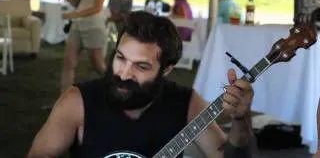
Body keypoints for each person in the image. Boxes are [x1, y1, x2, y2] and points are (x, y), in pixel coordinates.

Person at [27, 11, 255, 158]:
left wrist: (240, 120)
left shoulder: (185, 102)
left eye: (141, 66)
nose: (124, 74)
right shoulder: (77, 102)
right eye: (120, 58)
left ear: (166, 70)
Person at [55, 0, 108, 92]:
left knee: (97, 64)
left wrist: (74, 15)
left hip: (93, 27)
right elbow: (78, 4)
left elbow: (97, 8)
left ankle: (116, 86)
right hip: (77, 26)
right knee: (68, 62)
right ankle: (64, 99)